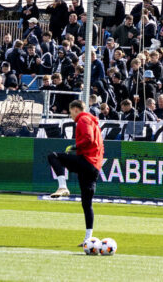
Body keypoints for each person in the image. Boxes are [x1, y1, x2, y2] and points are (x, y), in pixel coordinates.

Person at [47, 100, 105, 248]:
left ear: (75, 109)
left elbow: (88, 139)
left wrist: (75, 146)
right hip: (94, 166)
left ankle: (62, 186)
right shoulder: (93, 121)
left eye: (70, 112)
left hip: (86, 161)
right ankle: (88, 239)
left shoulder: (83, 119)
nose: (71, 115)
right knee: (87, 203)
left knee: (53, 156)